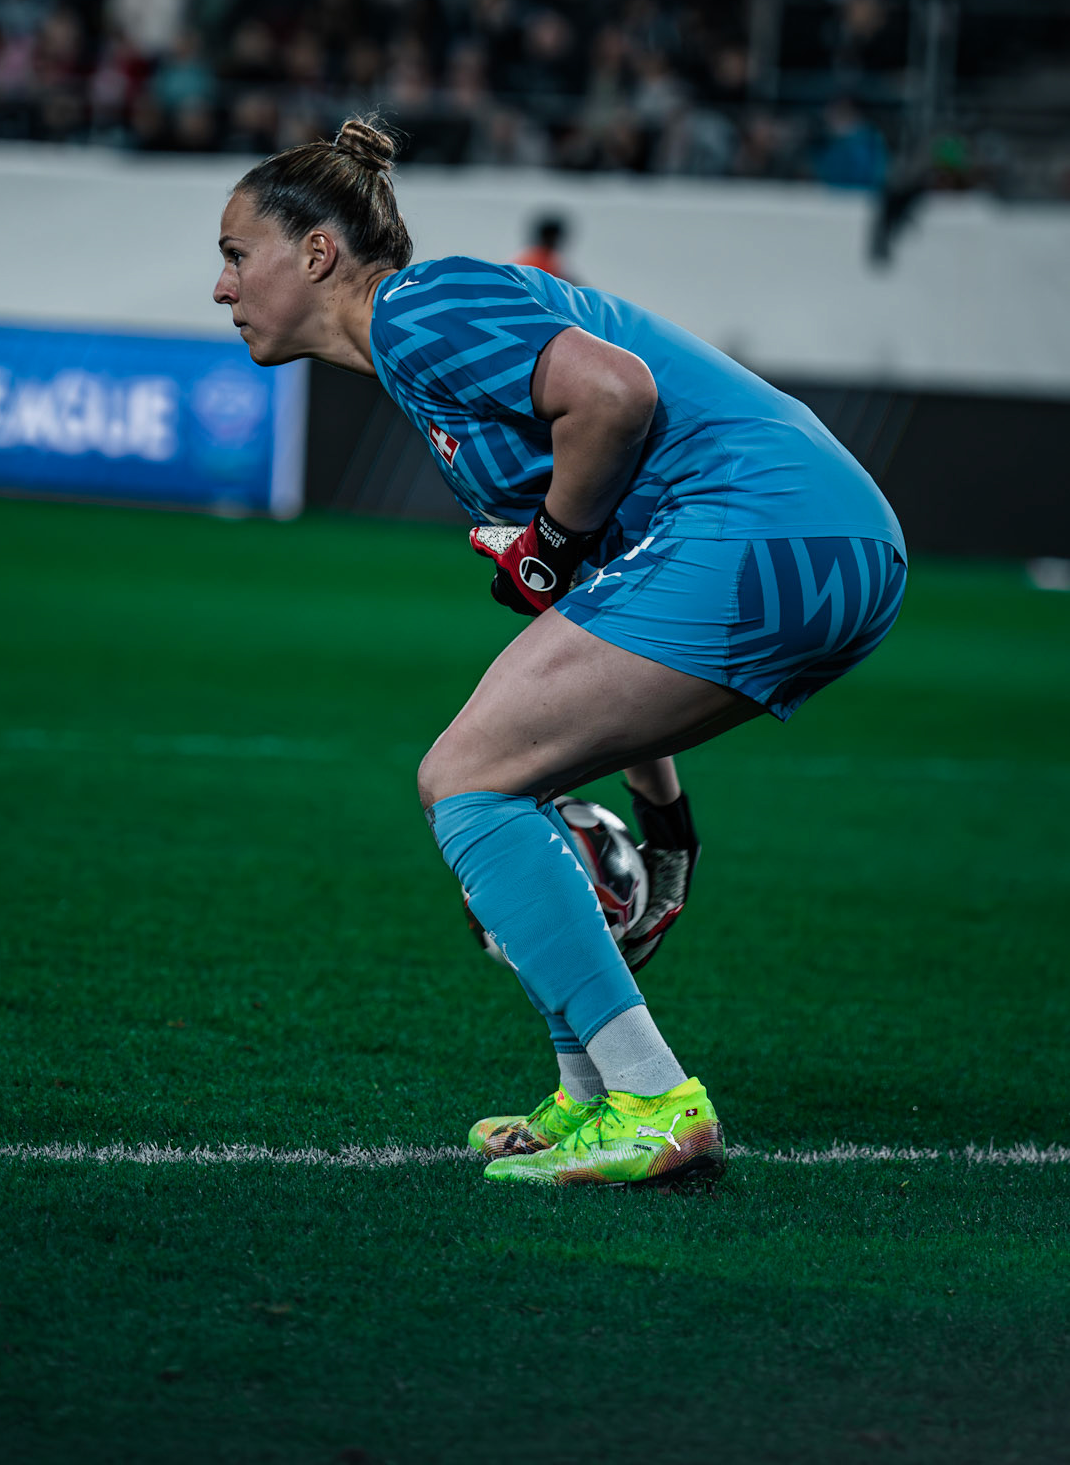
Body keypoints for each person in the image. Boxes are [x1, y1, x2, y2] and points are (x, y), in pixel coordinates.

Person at [213, 118, 907, 1188]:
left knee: (467, 779)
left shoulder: (415, 309)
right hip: (828, 541)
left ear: (314, 254)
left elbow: (615, 395)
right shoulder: (424, 355)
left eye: (233, 254)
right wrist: (666, 823)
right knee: (507, 776)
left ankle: (651, 1098)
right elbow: (597, 596)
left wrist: (551, 540)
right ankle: (591, 1096)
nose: (221, 287)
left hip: (764, 520)